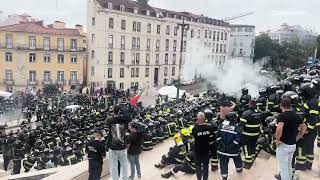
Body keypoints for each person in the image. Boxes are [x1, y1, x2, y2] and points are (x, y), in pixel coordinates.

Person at [275, 97, 306, 180]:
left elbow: (279, 129)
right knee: (288, 164)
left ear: (281, 105)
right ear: (290, 105)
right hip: (293, 145)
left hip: (284, 145)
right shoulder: (296, 115)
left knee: (283, 168)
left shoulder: (281, 116)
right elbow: (304, 128)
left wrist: (277, 140)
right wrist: (297, 137)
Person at [217, 112, 243, 180]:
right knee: (237, 159)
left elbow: (218, 137)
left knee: (223, 163)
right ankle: (239, 169)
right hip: (233, 150)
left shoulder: (221, 125)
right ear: (234, 118)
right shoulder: (237, 128)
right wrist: (229, 147)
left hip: (222, 150)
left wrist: (223, 146)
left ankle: (224, 176)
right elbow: (237, 140)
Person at [107, 105, 129, 180]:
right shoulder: (125, 121)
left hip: (113, 148)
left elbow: (108, 119)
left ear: (113, 112)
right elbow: (129, 118)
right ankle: (125, 178)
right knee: (124, 164)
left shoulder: (109, 120)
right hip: (123, 147)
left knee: (113, 166)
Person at [240, 100, 263, 169]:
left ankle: (248, 163)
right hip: (256, 135)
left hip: (247, 135)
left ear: (249, 105)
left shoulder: (246, 113)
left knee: (246, 148)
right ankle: (252, 159)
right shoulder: (259, 113)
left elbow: (241, 125)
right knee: (253, 147)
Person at [191, 112, 214, 180]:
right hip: (206, 150)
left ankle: (199, 178)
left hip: (197, 150)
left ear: (197, 119)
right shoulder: (209, 127)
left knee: (198, 166)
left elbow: (193, 138)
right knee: (205, 166)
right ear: (204, 118)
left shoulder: (194, 129)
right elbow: (212, 138)